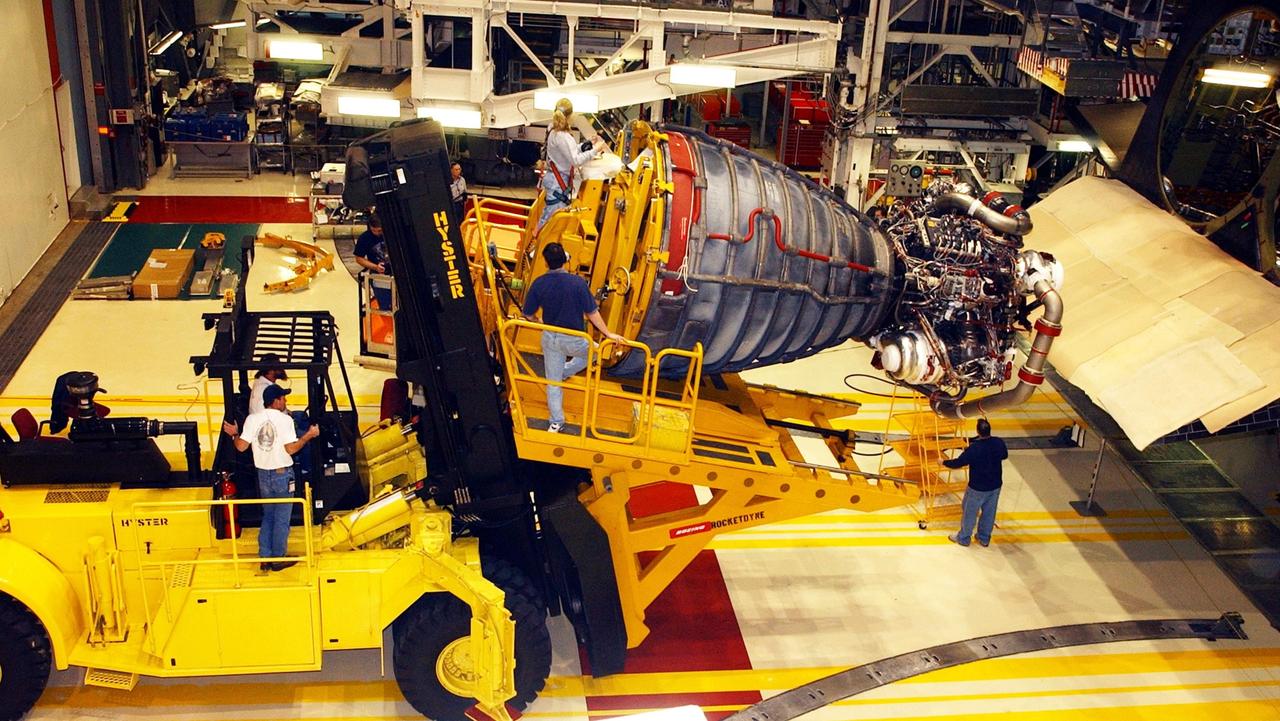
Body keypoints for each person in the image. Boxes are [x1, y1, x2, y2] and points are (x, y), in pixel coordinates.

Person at [522, 242, 624, 432]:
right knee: (594, 352)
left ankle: (556, 421)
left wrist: (539, 320)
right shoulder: (577, 283)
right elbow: (592, 313)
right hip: (574, 339)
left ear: (546, 263)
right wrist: (608, 334)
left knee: (553, 383)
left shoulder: (539, 283)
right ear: (565, 259)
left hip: (551, 338)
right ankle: (566, 371)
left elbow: (527, 314)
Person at [222, 385, 321, 573]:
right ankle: (278, 559)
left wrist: (235, 433)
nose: (286, 401)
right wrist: (309, 435)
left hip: (263, 476)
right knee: (282, 519)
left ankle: (265, 557)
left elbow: (241, 446)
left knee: (268, 516)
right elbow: (291, 449)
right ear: (275, 401)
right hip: (282, 475)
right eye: (283, 398)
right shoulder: (285, 420)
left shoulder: (252, 419)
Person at [538, 98, 606, 229]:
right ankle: (538, 246)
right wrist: (595, 150)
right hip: (558, 183)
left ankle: (538, 243)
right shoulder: (563, 136)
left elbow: (569, 151)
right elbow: (576, 160)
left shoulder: (553, 130)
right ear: (570, 116)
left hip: (555, 180)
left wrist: (587, 145)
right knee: (551, 223)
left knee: (548, 218)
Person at [942, 418, 1009, 547]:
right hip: (995, 486)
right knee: (989, 512)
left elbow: (957, 463)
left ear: (977, 431)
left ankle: (964, 538)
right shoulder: (998, 442)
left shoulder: (975, 449)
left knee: (969, 512)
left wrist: (943, 462)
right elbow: (1004, 455)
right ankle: (984, 538)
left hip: (977, 488)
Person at [354, 214, 393, 310]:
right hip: (379, 278)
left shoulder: (393, 234)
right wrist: (375, 267)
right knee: (385, 307)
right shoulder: (364, 238)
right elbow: (359, 258)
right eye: (374, 231)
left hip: (397, 275)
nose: (377, 233)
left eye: (379, 231)